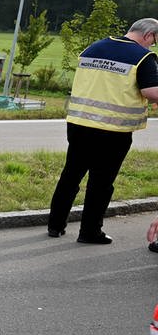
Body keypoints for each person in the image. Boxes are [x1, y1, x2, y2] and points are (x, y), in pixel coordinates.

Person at [48, 18, 158, 244]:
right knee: (101, 183)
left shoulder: (93, 48)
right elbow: (152, 92)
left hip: (78, 123)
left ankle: (55, 225)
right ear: (148, 35)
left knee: (70, 175)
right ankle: (89, 232)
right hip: (113, 129)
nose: (153, 46)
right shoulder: (143, 57)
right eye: (155, 41)